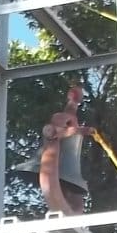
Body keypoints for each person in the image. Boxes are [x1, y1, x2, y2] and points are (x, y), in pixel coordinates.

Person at [38, 84, 89, 215]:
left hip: (66, 172)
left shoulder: (67, 118)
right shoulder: (58, 122)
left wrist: (73, 105)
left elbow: (68, 120)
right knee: (71, 193)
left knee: (75, 199)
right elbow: (59, 131)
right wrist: (82, 130)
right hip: (57, 164)